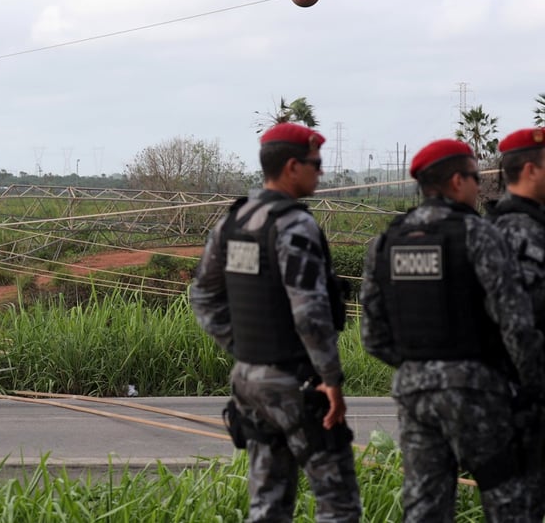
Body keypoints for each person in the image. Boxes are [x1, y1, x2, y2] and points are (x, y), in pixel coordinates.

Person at [360, 138, 545, 522]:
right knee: (507, 500)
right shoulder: (478, 234)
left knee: (425, 505)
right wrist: (528, 386)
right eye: (476, 178)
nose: (480, 188)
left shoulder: (385, 243)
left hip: (413, 392)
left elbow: (372, 336)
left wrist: (420, 365)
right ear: (457, 181)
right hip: (477, 390)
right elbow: (515, 324)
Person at [189, 122, 361, 523]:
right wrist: (330, 379)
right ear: (291, 167)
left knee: (267, 503)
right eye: (315, 163)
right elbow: (309, 310)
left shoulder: (232, 223)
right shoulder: (293, 225)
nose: (321, 172)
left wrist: (244, 347)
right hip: (296, 380)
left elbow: (202, 296)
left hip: (249, 379)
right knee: (338, 503)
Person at [485, 128, 545, 519]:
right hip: (523, 394)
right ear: (531, 170)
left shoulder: (508, 228)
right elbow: (516, 322)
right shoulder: (516, 233)